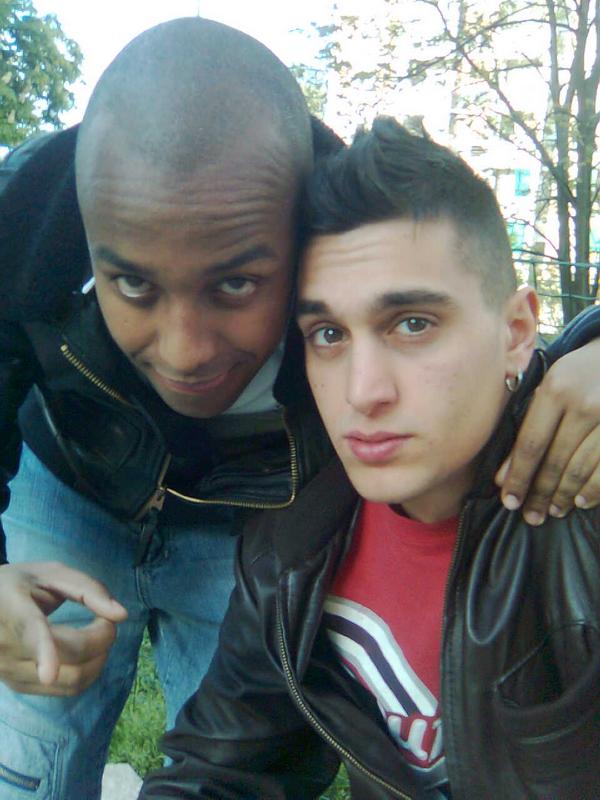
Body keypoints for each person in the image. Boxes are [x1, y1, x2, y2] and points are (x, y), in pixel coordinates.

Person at [140, 118, 600, 800]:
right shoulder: (293, 546)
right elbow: (219, 768)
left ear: (515, 333)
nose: (363, 392)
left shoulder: (583, 517)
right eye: (328, 334)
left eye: (412, 324)